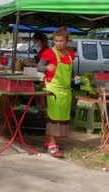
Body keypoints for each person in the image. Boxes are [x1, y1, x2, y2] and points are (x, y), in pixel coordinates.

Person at [37, 27, 79, 157]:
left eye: (61, 41)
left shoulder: (70, 53)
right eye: (56, 41)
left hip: (66, 90)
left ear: (67, 41)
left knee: (62, 117)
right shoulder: (49, 52)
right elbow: (39, 67)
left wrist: (74, 76)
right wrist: (47, 67)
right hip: (53, 89)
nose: (58, 43)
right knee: (52, 117)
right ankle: (52, 143)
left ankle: (51, 141)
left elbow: (70, 69)